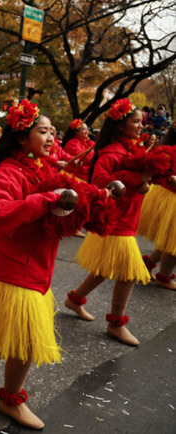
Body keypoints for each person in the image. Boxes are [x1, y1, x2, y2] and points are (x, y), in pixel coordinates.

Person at [0, 100, 111, 429]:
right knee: (26, 338)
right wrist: (45, 200)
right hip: (15, 266)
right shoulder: (7, 172)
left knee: (10, 329)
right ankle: (10, 400)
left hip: (35, 263)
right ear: (21, 138)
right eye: (43, 131)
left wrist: (92, 200)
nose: (51, 136)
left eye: (52, 132)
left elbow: (62, 200)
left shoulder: (39, 168)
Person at [64, 99, 152, 346]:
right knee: (128, 273)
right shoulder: (111, 152)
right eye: (135, 121)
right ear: (121, 125)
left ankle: (75, 299)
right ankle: (116, 322)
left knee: (105, 268)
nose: (140, 124)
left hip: (128, 217)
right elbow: (102, 181)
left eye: (140, 121)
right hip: (116, 219)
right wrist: (133, 177)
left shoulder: (131, 149)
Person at [138, 126, 176, 289]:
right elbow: (162, 172)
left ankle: (147, 264)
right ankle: (164, 277)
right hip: (171, 198)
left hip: (169, 198)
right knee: (173, 244)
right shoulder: (170, 151)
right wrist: (171, 178)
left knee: (169, 241)